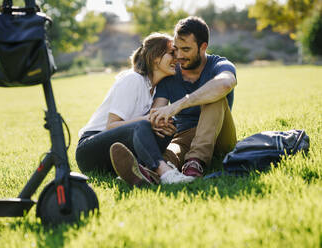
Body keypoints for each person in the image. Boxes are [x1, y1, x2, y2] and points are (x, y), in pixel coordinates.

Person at [75, 33, 195, 186]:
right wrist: (147, 120)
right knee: (144, 124)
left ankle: (139, 171)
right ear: (155, 58)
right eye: (172, 53)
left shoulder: (155, 90)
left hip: (117, 152)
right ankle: (166, 174)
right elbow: (111, 125)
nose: (176, 58)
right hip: (90, 151)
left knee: (167, 126)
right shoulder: (133, 80)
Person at [150, 16, 238, 178]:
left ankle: (195, 161)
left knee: (215, 94)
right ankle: (151, 171)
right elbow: (158, 110)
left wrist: (179, 105)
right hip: (184, 136)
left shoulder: (219, 65)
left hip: (220, 137)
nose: (179, 55)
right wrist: (160, 122)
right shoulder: (170, 74)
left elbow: (225, 84)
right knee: (170, 154)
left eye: (186, 49)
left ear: (203, 47)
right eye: (176, 49)